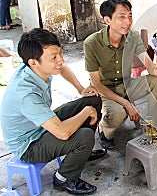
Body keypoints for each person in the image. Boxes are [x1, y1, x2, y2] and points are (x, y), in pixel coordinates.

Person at [0, 28, 106, 195]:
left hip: (40, 126)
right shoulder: (25, 93)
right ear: (33, 62)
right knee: (84, 134)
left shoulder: (37, 67)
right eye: (54, 57)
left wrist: (80, 89)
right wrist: (86, 112)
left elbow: (61, 67)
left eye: (60, 53)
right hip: (29, 145)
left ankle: (82, 153)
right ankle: (64, 178)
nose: (61, 60)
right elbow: (63, 133)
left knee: (92, 99)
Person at [84, 0, 157, 149]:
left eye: (130, 16)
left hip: (127, 84)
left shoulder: (133, 36)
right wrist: (127, 104)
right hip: (106, 90)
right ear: (107, 20)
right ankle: (104, 130)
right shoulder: (91, 43)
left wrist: (155, 69)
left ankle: (155, 128)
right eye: (122, 17)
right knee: (118, 113)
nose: (127, 21)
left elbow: (147, 62)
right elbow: (96, 83)